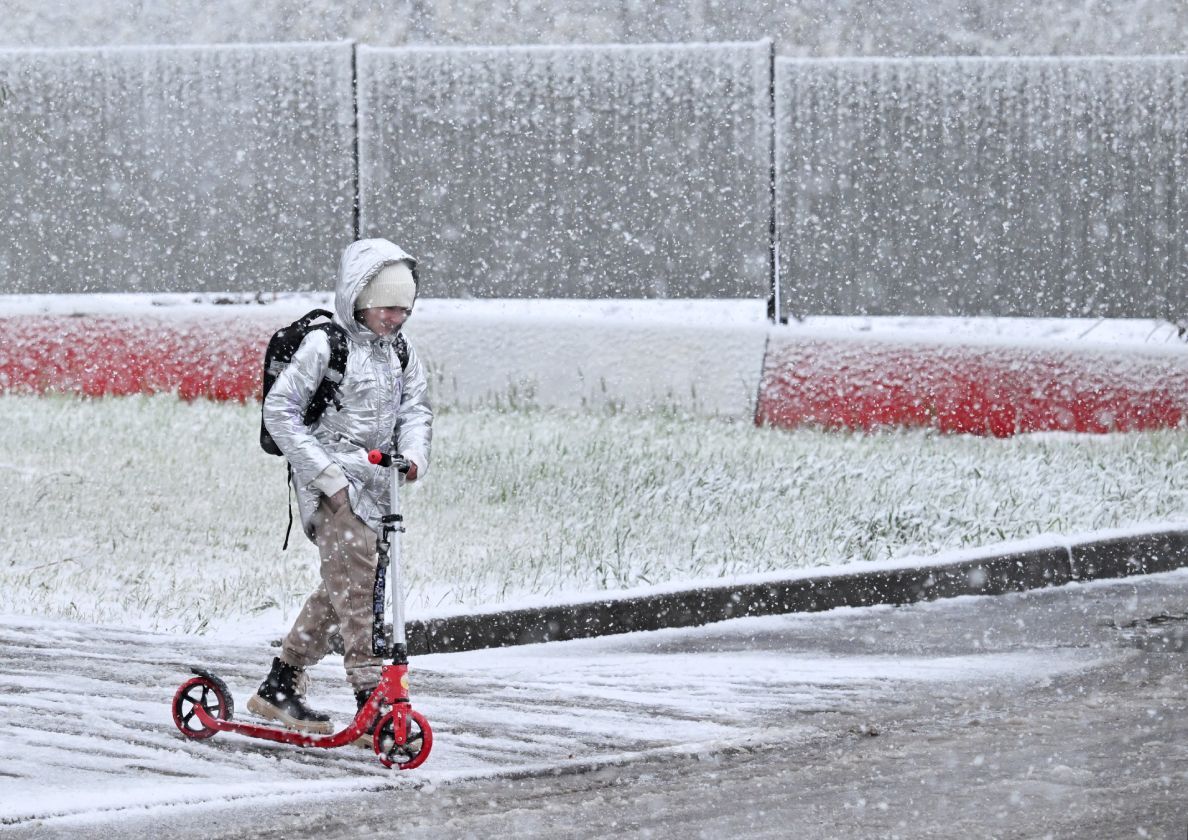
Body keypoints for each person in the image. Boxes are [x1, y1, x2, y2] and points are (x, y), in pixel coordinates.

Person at [248, 237, 432, 740]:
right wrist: (327, 479)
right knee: (360, 589)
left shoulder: (399, 350)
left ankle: (279, 684)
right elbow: (280, 412)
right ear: (362, 300)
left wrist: (413, 457)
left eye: (404, 309)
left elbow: (415, 408)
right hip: (330, 480)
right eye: (389, 308)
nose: (397, 318)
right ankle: (371, 693)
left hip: (379, 481)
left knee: (343, 587)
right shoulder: (325, 345)